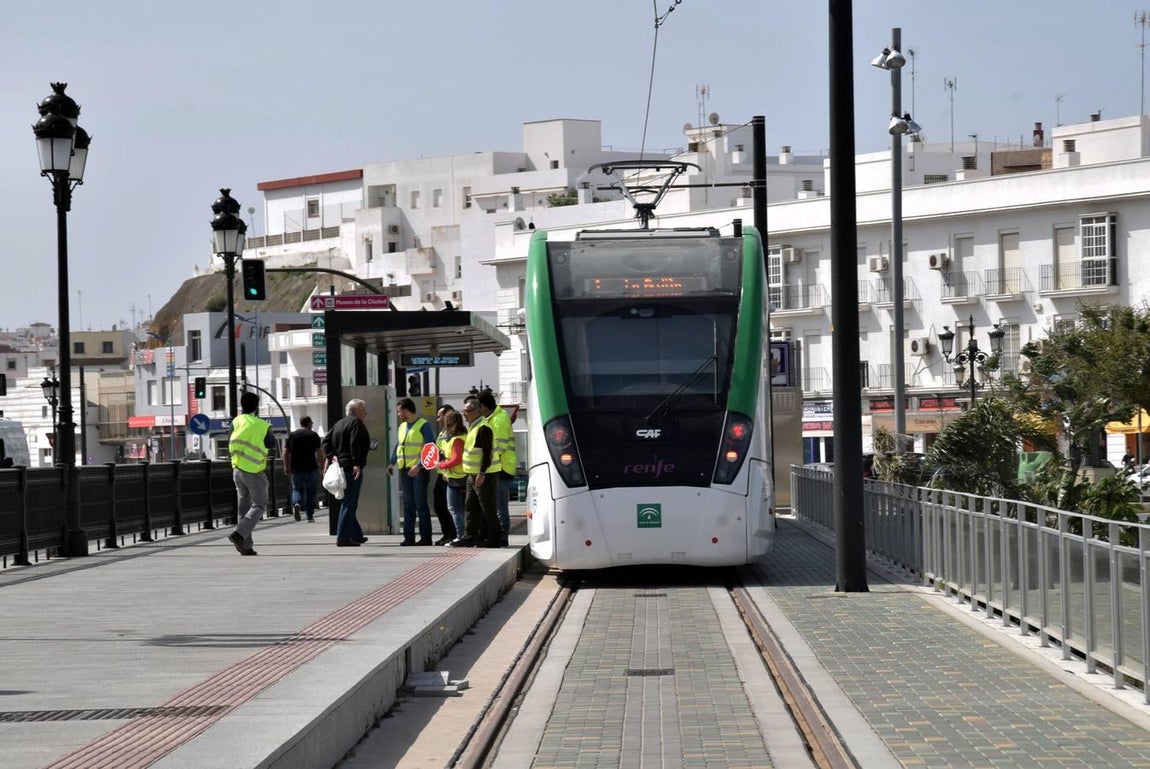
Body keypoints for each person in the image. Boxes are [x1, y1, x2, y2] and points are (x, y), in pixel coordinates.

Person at [227, 391, 275, 557]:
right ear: (256, 407)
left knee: (244, 508)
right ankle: (239, 534)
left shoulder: (236, 421)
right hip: (253, 470)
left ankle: (246, 547)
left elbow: (229, 438)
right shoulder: (261, 425)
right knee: (260, 504)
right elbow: (271, 443)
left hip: (237, 468)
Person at [450, 395, 501, 547]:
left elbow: (487, 452)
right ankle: (469, 536)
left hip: (484, 474)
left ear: (477, 411)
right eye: (463, 410)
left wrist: (482, 473)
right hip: (472, 475)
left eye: (467, 411)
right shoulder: (473, 427)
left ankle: (495, 539)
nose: (464, 414)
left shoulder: (483, 428)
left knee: (488, 507)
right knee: (470, 506)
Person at [322, 399, 372, 547]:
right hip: (351, 467)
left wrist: (331, 455)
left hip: (341, 466)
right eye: (364, 410)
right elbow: (354, 442)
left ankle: (356, 535)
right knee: (349, 502)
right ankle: (342, 537)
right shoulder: (356, 423)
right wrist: (357, 463)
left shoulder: (338, 424)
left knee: (349, 501)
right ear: (356, 411)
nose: (366, 413)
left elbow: (325, 442)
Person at [388, 397, 436, 545]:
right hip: (405, 470)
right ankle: (409, 538)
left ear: (406, 410)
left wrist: (419, 466)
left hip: (418, 471)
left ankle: (426, 538)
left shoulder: (424, 425)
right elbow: (399, 446)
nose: (398, 414)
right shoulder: (402, 426)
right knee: (408, 505)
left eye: (399, 411)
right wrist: (391, 462)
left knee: (421, 504)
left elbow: (431, 448)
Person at [477, 390, 515, 547]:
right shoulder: (491, 418)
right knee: (493, 504)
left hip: (502, 467)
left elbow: (499, 446)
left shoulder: (498, 420)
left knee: (499, 505)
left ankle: (502, 537)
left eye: (478, 406)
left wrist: (484, 463)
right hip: (496, 467)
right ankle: (496, 535)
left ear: (484, 406)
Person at [435, 409, 468, 544]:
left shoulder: (456, 439)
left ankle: (460, 536)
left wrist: (440, 465)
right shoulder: (462, 436)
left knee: (455, 509)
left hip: (457, 477)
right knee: (460, 509)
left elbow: (456, 459)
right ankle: (463, 535)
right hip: (459, 476)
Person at [283, 415, 324, 522]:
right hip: (311, 468)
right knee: (311, 492)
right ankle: (310, 515)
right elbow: (319, 453)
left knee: (296, 489)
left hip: (296, 468)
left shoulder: (293, 435)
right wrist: (324, 466)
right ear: (309, 423)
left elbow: (286, 452)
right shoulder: (313, 435)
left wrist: (286, 466)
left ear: (301, 423)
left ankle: (296, 504)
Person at [431, 404, 459, 544]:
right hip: (441, 473)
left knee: (450, 508)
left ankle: (452, 534)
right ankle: (446, 533)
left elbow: (453, 455)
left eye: (439, 416)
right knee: (439, 506)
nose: (437, 419)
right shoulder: (442, 434)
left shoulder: (454, 435)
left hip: (450, 474)